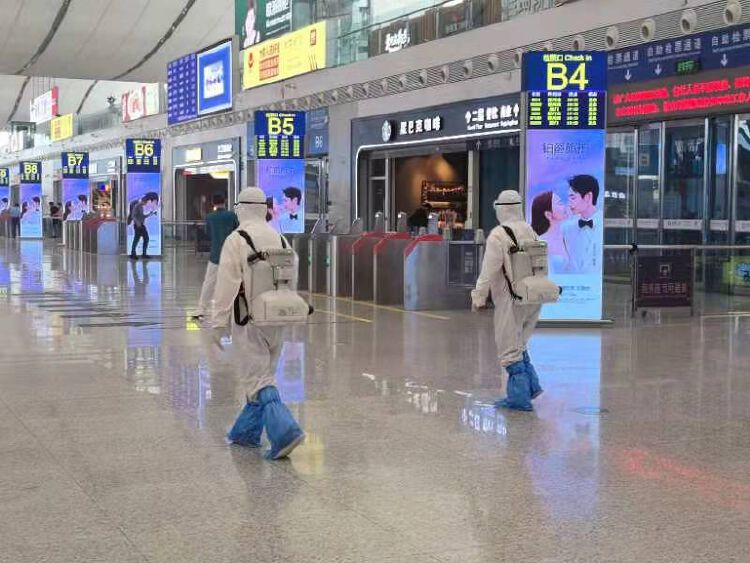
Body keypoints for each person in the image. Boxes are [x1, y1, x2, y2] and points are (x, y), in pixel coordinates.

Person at [211, 187, 305, 460]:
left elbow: (226, 285)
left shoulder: (237, 239)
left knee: (258, 379)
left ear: (241, 208)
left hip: (249, 320)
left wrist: (218, 322)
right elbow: (291, 276)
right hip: (277, 318)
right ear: (263, 209)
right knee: (262, 374)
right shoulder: (280, 237)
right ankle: (246, 433)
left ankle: (286, 432)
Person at [471, 190, 543, 412]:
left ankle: (519, 399)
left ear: (501, 209)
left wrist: (478, 296)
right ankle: (531, 387)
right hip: (534, 296)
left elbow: (488, 271)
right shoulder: (531, 231)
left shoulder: (498, 235)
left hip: (510, 300)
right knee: (520, 343)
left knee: (509, 348)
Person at [192, 194, 239, 321]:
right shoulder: (231, 216)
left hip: (215, 255)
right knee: (233, 283)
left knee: (208, 283)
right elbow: (238, 231)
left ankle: (201, 310)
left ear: (213, 203)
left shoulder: (210, 217)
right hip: (231, 255)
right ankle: (232, 309)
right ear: (225, 201)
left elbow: (208, 234)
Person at [562, 175, 603, 274]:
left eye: (573, 198)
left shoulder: (604, 225)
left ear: (588, 197)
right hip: (573, 282)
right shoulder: (567, 228)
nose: (569, 203)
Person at [531, 190, 569, 273]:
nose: (564, 206)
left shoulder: (567, 236)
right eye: (560, 203)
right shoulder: (541, 242)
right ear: (548, 214)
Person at [128, 192, 159, 260]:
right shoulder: (137, 206)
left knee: (144, 239)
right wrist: (137, 223)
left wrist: (149, 214)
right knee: (137, 239)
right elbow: (133, 216)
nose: (146, 203)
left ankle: (142, 254)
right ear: (144, 200)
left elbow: (142, 216)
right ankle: (134, 254)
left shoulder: (141, 206)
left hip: (141, 225)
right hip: (138, 226)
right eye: (146, 202)